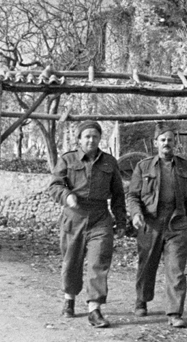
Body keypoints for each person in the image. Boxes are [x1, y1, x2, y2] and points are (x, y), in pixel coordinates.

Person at [47, 120, 127, 328]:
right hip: (74, 216)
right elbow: (55, 185)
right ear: (79, 140)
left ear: (100, 139)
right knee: (71, 260)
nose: (91, 140)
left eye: (95, 136)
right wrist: (67, 196)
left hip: (100, 217)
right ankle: (69, 298)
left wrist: (121, 221)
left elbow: (118, 194)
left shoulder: (109, 162)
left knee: (98, 262)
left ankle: (94, 308)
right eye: (87, 136)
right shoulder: (68, 159)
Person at [125, 126, 187, 328]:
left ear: (175, 143)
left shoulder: (184, 167)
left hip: (177, 222)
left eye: (170, 140)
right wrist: (136, 214)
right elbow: (133, 195)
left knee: (176, 269)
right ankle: (142, 299)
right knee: (147, 265)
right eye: (163, 140)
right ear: (156, 142)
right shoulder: (143, 166)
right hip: (151, 222)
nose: (167, 143)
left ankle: (174, 312)